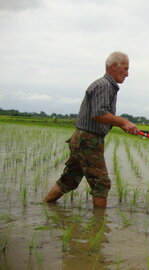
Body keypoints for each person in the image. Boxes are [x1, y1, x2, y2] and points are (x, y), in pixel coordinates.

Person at [43, 51, 140, 208]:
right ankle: (99, 227)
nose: (127, 74)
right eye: (126, 69)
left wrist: (121, 124)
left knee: (70, 178)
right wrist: (123, 122)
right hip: (88, 140)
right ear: (115, 67)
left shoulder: (104, 85)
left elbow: (100, 115)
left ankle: (45, 205)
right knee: (101, 184)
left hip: (82, 138)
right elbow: (99, 114)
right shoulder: (105, 85)